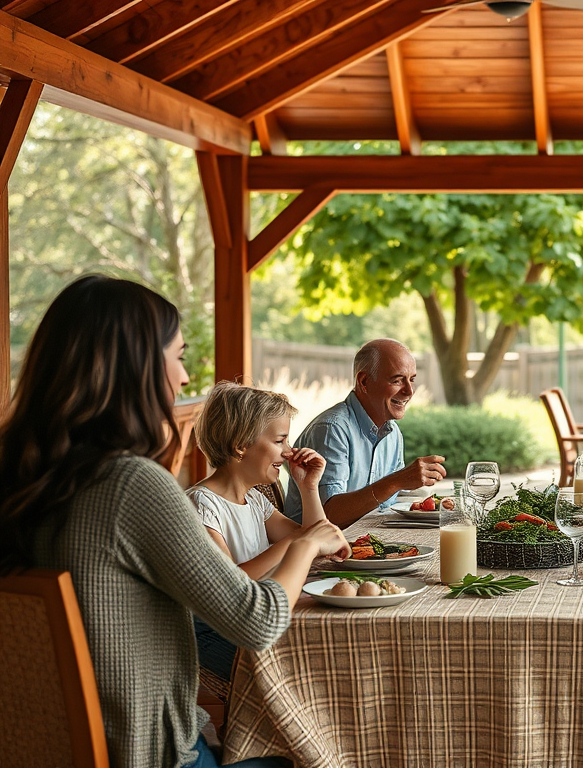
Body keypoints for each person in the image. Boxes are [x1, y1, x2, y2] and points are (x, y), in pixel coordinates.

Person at [0, 276, 347, 768]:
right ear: (136, 366)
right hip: (147, 755)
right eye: (179, 356)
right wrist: (305, 547)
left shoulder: (19, 478)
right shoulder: (130, 485)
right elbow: (259, 619)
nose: (185, 378)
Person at [187, 381, 351, 683]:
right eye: (280, 441)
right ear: (240, 446)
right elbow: (231, 585)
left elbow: (319, 545)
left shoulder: (255, 500)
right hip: (220, 634)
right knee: (313, 668)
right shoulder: (201, 505)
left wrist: (308, 487)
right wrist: (300, 541)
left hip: (260, 619)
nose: (289, 452)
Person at [284, 338, 447, 527]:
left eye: (411, 380)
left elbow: (391, 502)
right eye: (397, 380)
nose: (409, 391)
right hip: (317, 551)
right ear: (364, 381)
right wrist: (397, 481)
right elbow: (329, 517)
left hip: (364, 543)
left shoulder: (392, 432)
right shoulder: (331, 429)